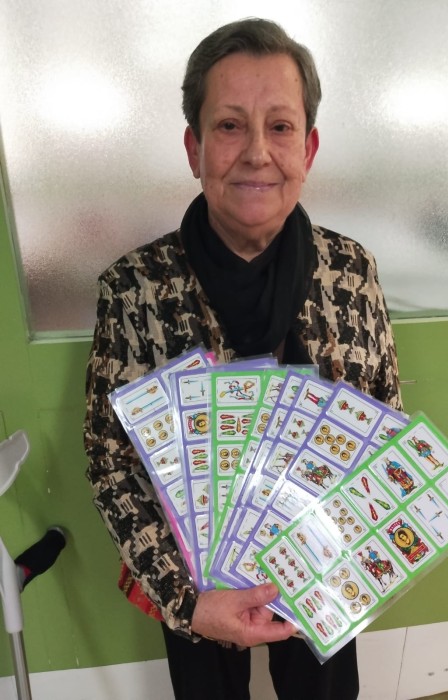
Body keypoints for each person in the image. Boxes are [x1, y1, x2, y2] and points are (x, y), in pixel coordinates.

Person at [83, 17, 402, 700]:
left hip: (324, 572)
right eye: (229, 126)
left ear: (308, 147)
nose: (257, 152)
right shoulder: (137, 288)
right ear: (194, 147)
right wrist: (187, 601)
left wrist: (362, 557)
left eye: (280, 127)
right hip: (194, 581)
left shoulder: (351, 271)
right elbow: (110, 461)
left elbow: (384, 424)